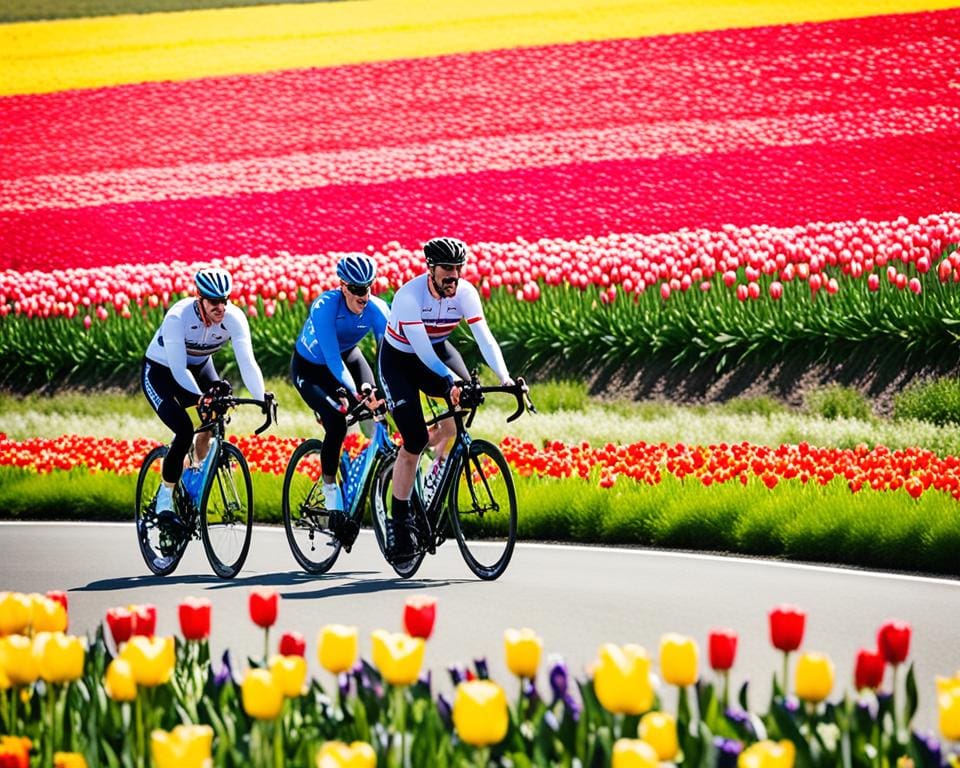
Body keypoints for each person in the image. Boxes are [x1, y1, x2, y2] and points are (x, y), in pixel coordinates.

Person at [379, 236, 513, 560]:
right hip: (400, 362)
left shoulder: (466, 293)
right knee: (412, 440)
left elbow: (485, 338)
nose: (453, 275)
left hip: (438, 352)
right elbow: (421, 352)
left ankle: (434, 467)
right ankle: (398, 524)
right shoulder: (409, 296)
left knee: (467, 398)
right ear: (431, 269)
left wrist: (505, 378)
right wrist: (449, 381)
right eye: (447, 269)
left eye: (458, 268)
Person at [141, 267, 268, 525]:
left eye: (224, 300)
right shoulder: (178, 317)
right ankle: (165, 496)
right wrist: (200, 398)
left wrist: (262, 396)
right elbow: (178, 369)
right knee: (184, 428)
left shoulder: (233, 318)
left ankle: (193, 471)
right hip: (162, 372)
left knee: (215, 413)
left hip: (199, 366)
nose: (220, 307)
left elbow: (247, 361)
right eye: (213, 301)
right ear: (200, 298)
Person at [291, 253, 389, 548]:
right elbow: (333, 361)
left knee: (380, 413)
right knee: (336, 423)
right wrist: (359, 394)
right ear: (343, 286)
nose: (364, 295)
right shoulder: (324, 307)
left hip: (350, 359)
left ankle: (373, 477)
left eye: (369, 287)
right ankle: (331, 491)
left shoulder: (378, 309)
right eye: (357, 289)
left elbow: (387, 358)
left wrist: (381, 392)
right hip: (311, 369)